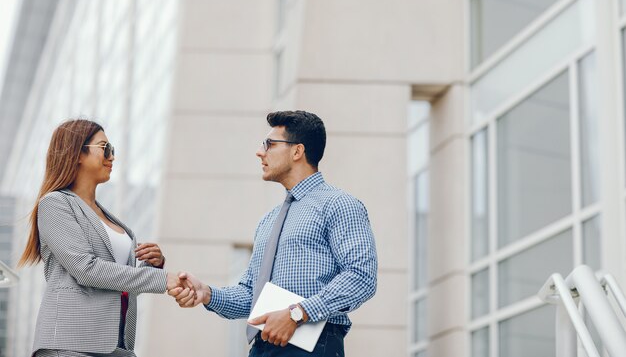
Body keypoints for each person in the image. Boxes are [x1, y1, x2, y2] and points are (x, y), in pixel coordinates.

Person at [169, 110, 378, 356]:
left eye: (269, 144)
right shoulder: (268, 221)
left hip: (312, 347)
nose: (260, 152)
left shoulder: (338, 205)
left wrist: (297, 314)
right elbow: (250, 295)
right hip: (263, 346)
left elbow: (362, 276)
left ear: (297, 151)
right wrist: (207, 293)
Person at [18, 119, 186, 357]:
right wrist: (161, 279)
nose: (112, 156)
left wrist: (153, 265)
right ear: (77, 153)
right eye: (105, 148)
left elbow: (117, 283)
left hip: (113, 345)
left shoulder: (111, 219)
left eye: (113, 150)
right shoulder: (54, 204)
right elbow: (86, 270)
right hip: (70, 344)